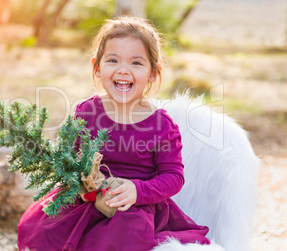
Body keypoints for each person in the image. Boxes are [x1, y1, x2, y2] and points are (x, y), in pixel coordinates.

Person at [17, 16, 210, 251]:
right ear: (97, 68)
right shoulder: (87, 112)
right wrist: (78, 177)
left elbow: (173, 176)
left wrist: (138, 191)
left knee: (120, 239)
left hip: (134, 206)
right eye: (113, 60)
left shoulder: (161, 126)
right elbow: (69, 157)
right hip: (88, 199)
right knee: (45, 230)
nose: (123, 70)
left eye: (136, 63)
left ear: (152, 73)